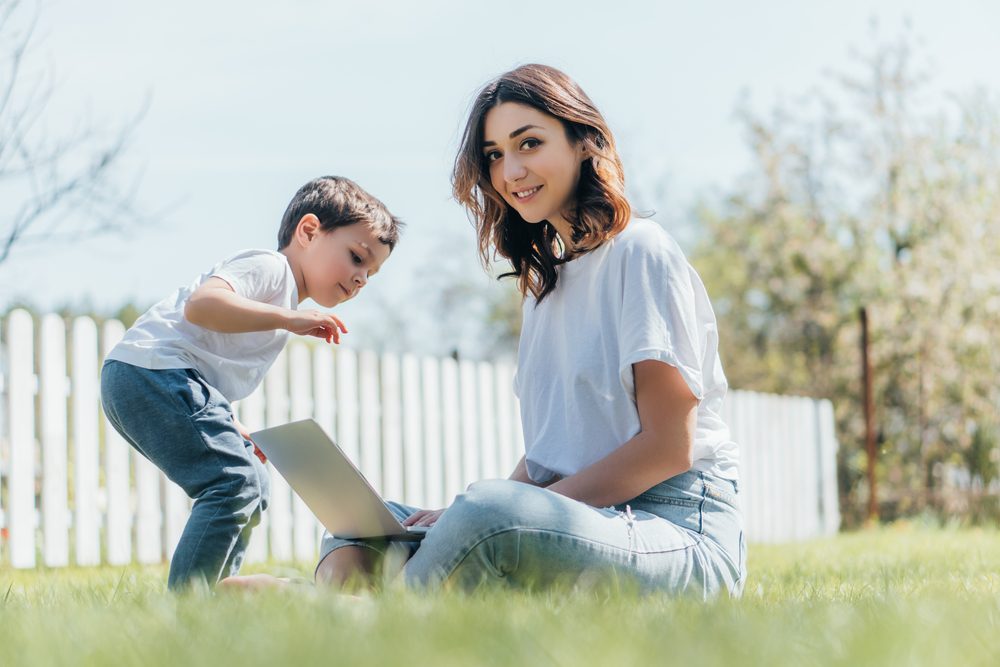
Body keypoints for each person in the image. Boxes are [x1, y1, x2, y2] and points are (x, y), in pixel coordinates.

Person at [227, 64, 744, 598]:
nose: (511, 170)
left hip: (678, 528)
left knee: (491, 512)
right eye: (495, 155)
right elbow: (551, 456)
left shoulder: (641, 251)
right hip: (587, 522)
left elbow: (668, 447)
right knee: (359, 533)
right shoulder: (545, 290)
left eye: (530, 143)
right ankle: (358, 606)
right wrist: (459, 518)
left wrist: (510, 514)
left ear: (584, 143)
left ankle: (348, 618)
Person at [101, 175, 402, 590]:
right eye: (355, 257)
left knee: (253, 483)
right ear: (309, 231)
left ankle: (220, 589)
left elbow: (206, 362)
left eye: (371, 273)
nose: (361, 278)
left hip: (151, 377)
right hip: (151, 372)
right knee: (232, 482)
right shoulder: (270, 267)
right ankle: (191, 604)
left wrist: (229, 425)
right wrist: (290, 319)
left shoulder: (282, 299)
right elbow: (202, 306)